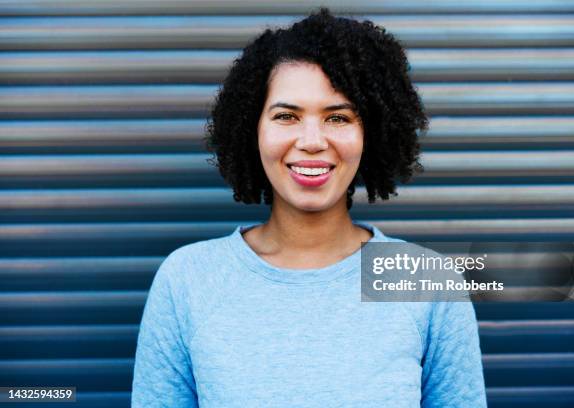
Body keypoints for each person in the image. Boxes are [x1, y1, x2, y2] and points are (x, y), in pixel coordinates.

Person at [132, 8, 487, 407]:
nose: (312, 140)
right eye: (286, 116)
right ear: (253, 129)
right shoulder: (188, 280)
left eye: (338, 117)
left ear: (371, 132)